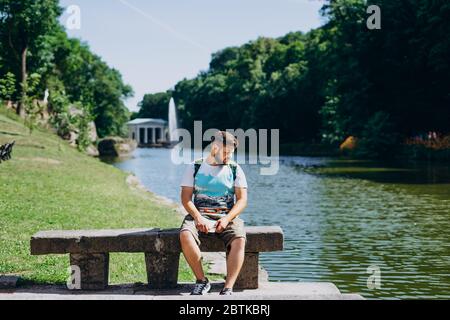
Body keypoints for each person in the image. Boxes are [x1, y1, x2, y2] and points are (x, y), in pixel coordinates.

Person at [179, 131, 248, 295]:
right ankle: (202, 281)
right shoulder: (195, 166)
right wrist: (197, 217)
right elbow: (185, 198)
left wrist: (227, 219)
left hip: (227, 216)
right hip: (199, 214)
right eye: (225, 152)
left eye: (231, 153)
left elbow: (242, 200)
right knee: (185, 234)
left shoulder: (234, 168)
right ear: (214, 148)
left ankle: (228, 287)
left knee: (239, 239)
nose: (228, 156)